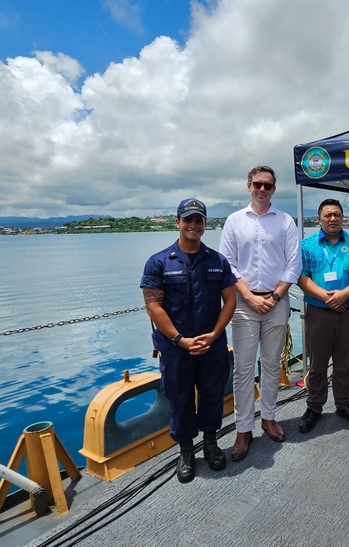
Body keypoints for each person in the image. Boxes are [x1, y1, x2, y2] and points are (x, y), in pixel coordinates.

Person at [140, 198, 237, 483]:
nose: (193, 225)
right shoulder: (158, 262)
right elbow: (153, 307)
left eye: (199, 220)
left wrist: (216, 334)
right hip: (175, 348)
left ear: (205, 225)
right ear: (178, 223)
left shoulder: (218, 261)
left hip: (212, 344)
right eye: (188, 220)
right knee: (180, 398)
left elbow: (230, 300)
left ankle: (210, 442)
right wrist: (180, 340)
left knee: (212, 395)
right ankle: (185, 451)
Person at [218, 165, 302, 461]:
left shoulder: (286, 221)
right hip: (244, 305)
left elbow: (294, 264)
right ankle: (243, 429)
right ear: (248, 185)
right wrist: (249, 297)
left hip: (276, 302)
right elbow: (227, 264)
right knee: (242, 369)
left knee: (270, 364)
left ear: (274, 189)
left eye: (267, 185)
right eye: (257, 184)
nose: (262, 189)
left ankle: (268, 417)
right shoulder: (234, 221)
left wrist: (277, 295)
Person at [296, 199, 349, 433]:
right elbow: (301, 277)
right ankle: (314, 407)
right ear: (319, 218)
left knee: (344, 364)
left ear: (342, 217)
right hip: (319, 313)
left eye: (337, 214)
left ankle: (343, 404)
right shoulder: (307, 246)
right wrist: (328, 298)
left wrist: (345, 294)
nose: (332, 218)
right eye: (327, 214)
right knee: (317, 365)